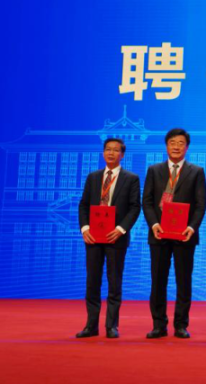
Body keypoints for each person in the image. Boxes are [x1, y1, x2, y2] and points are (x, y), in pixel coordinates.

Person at [142, 128, 206, 339]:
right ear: (166, 146)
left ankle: (181, 325)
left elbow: (201, 204)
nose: (176, 147)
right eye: (172, 143)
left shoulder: (196, 171)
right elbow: (147, 201)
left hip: (184, 235)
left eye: (180, 143)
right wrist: (154, 224)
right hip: (159, 234)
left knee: (183, 281)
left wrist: (192, 227)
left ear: (187, 147)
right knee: (158, 281)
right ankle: (158, 325)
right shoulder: (154, 170)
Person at [76, 137, 140, 338]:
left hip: (116, 237)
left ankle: (112, 326)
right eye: (108, 149)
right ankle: (91, 325)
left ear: (122, 155)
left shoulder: (131, 178)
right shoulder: (93, 177)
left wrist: (121, 229)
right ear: (103, 153)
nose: (111, 153)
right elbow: (83, 204)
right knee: (92, 281)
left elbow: (135, 207)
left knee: (114, 281)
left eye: (115, 150)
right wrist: (85, 228)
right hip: (93, 237)